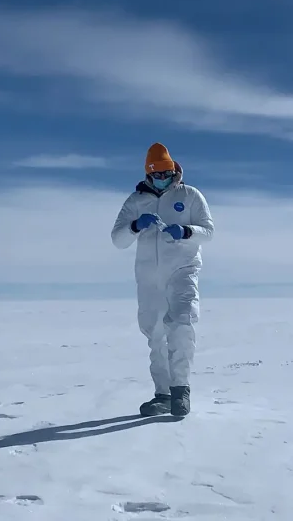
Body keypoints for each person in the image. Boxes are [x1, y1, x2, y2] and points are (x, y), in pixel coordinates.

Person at [111, 142, 215, 417]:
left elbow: (209, 231)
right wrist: (136, 225)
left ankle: (181, 391)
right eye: (157, 174)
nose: (162, 179)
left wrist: (185, 231)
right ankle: (163, 394)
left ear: (174, 171)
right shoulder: (135, 201)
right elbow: (118, 240)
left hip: (183, 270)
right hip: (148, 277)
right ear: (148, 173)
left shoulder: (190, 195)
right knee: (155, 332)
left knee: (181, 325)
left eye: (166, 173)